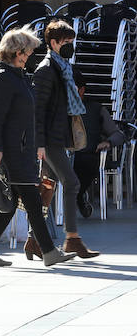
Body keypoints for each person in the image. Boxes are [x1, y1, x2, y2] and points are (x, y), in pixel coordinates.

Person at [0, 27, 77, 267]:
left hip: (21, 149)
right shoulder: (2, 77)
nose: (29, 56)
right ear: (15, 52)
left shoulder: (17, 75)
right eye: (27, 52)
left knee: (10, 205)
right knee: (32, 201)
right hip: (12, 151)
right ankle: (50, 251)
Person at [30, 19, 100, 259]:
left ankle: (33, 240)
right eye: (66, 41)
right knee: (72, 183)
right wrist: (39, 143)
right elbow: (37, 111)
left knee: (47, 187)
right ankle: (72, 238)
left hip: (58, 135)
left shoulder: (62, 68)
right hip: (50, 139)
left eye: (72, 41)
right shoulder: (46, 70)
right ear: (53, 43)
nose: (70, 45)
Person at [71, 77, 128, 218]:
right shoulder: (58, 107)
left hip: (88, 156)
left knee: (86, 164)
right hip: (62, 156)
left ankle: (77, 197)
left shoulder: (96, 109)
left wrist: (107, 142)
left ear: (81, 90)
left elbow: (118, 134)